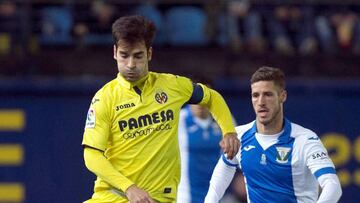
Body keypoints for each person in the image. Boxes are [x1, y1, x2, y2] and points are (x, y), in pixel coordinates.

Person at [81, 15, 239, 203]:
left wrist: (229, 131)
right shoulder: (104, 98)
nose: (131, 64)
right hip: (114, 196)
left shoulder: (172, 86)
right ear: (115, 52)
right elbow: (91, 155)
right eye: (124, 55)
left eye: (138, 56)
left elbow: (212, 98)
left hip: (158, 198)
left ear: (149, 53)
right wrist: (129, 188)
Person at [205, 66, 342, 203]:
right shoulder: (239, 135)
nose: (261, 102)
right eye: (255, 95)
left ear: (282, 96)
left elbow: (333, 186)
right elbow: (224, 170)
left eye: (268, 94)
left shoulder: (305, 140)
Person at [177, 80, 235, 203]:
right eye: (196, 98)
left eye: (204, 98)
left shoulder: (225, 121)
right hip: (184, 197)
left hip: (219, 196)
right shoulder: (177, 120)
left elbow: (237, 153)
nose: (200, 103)